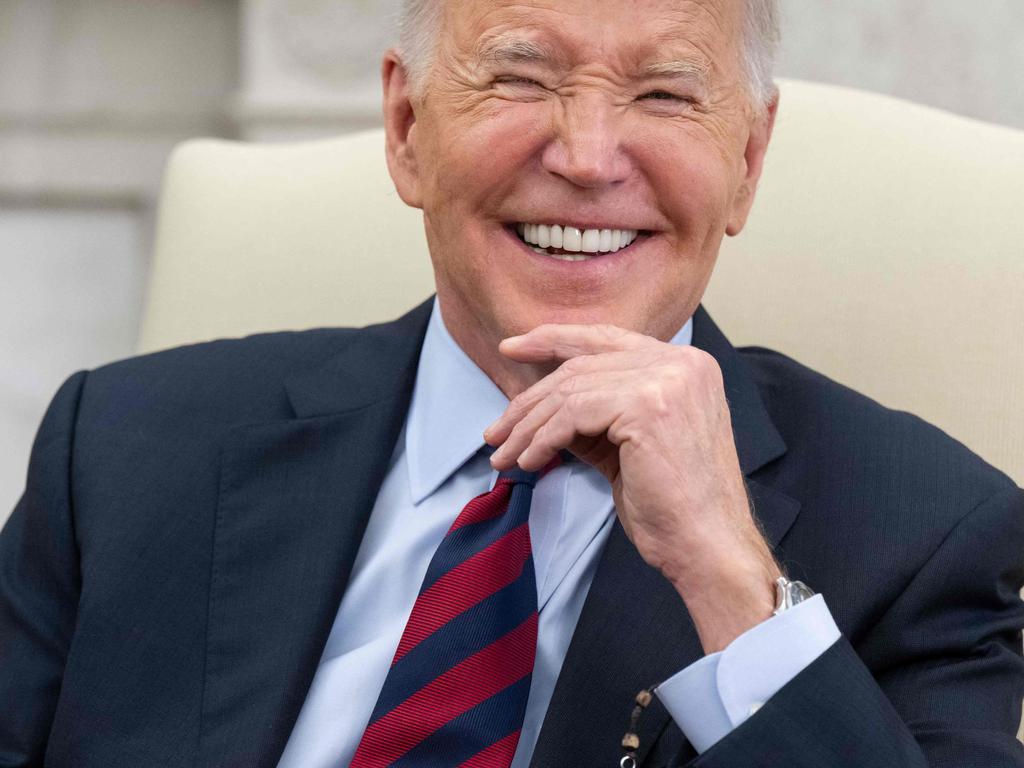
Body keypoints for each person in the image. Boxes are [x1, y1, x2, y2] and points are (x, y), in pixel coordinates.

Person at [2, 0, 1022, 766]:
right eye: (521, 80)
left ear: (747, 161)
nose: (584, 159)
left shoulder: (930, 534)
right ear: (406, 128)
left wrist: (730, 580)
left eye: (663, 93)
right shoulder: (123, 449)